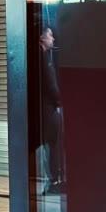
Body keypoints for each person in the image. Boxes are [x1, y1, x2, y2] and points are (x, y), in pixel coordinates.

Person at [39, 24, 65, 195]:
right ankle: (54, 180)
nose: (53, 38)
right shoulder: (43, 59)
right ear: (42, 38)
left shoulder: (43, 56)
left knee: (48, 145)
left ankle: (52, 179)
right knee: (54, 144)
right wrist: (59, 102)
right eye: (50, 35)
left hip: (45, 108)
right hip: (48, 108)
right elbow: (51, 83)